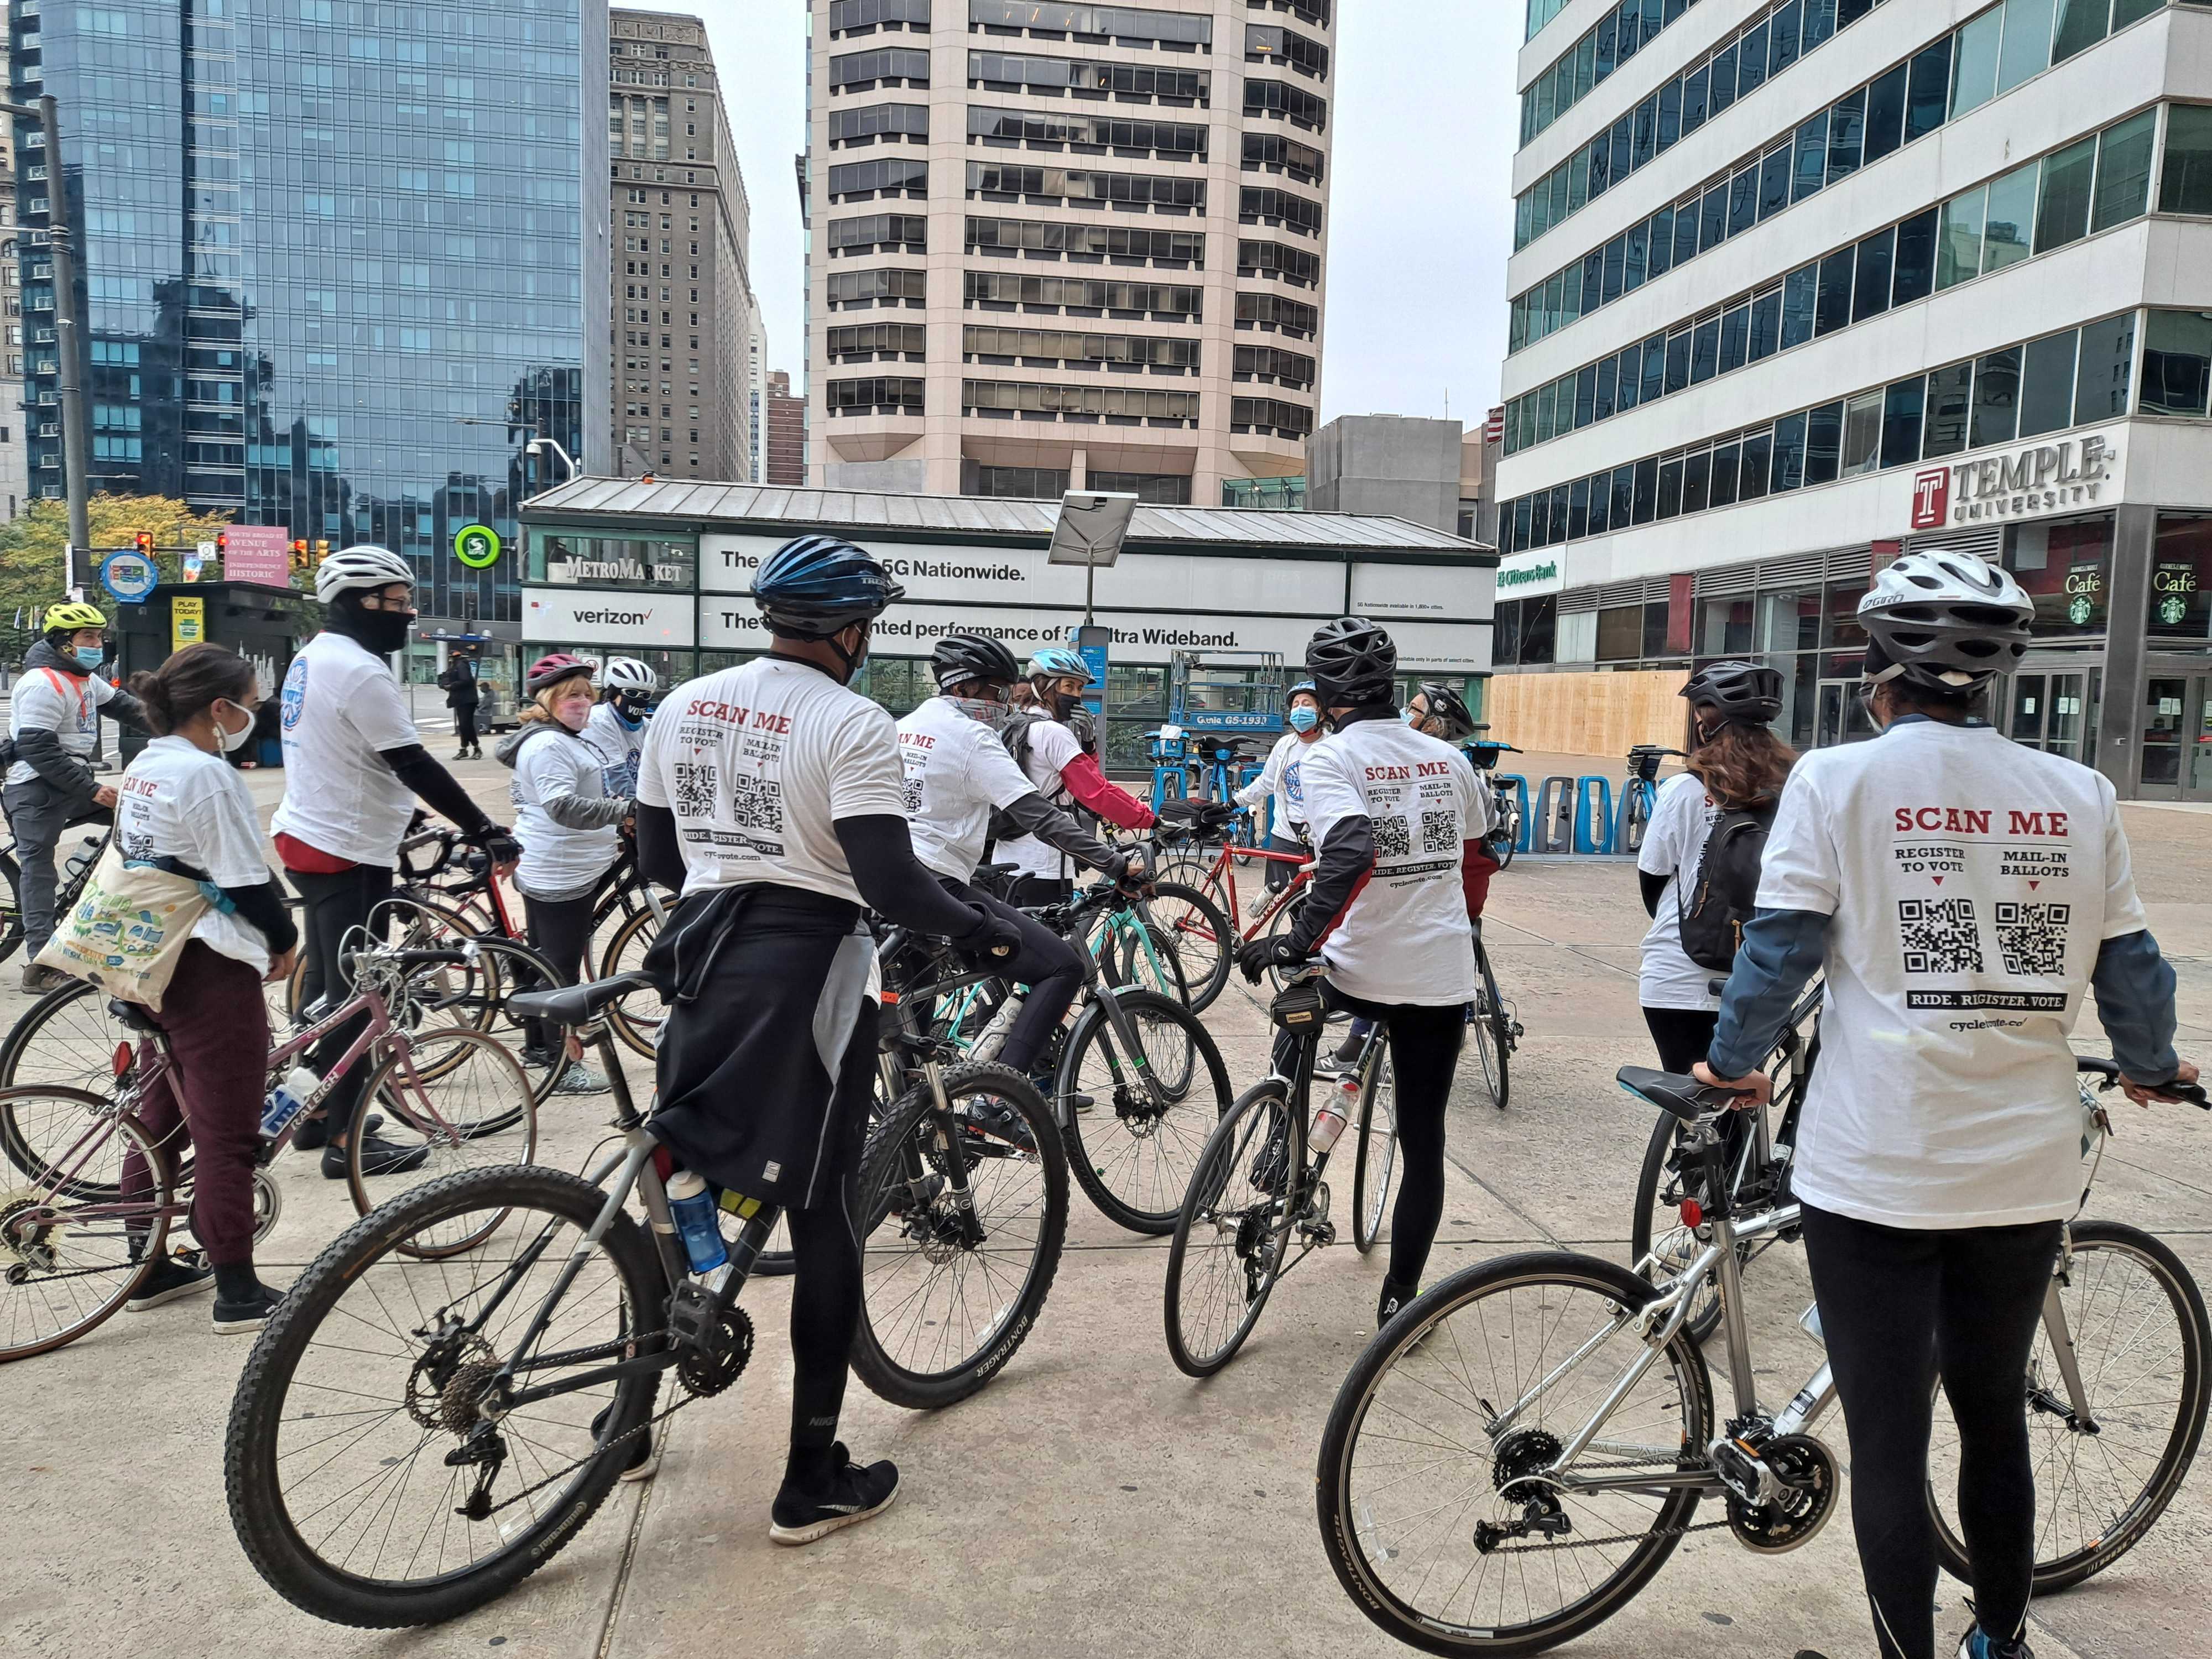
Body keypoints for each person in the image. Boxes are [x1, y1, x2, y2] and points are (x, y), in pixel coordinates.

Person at [1693, 551, 2197, 1659]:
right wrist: (2151, 1064)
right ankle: (1999, 1641)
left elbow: (1776, 955)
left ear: (1877, 667)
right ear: (2004, 672)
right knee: (1990, 1422)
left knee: (1888, 1442)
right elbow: (2129, 969)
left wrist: (1730, 1062)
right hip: (2018, 1172)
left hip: (1873, 1166)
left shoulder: (1834, 781)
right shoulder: (2079, 794)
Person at [633, 533, 1020, 1541]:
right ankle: (810, 1482)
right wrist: (987, 929)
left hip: (700, 956)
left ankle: (628, 1423)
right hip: (806, 972)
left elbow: (655, 852)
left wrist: (733, 877)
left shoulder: (684, 702)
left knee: (682, 1171)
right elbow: (892, 883)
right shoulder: (853, 722)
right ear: (852, 631)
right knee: (823, 1217)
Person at [1235, 618, 1497, 1328]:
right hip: (1439, 977)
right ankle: (1400, 1304)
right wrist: (1453, 917)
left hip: (1356, 969)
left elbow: (1349, 851)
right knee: (1423, 1141)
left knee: (1294, 1014)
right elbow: (1477, 858)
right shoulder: (1451, 760)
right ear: (1394, 688)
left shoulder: (1329, 759)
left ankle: (1282, 1143)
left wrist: (1293, 940)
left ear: (1320, 696)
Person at [270, 546, 518, 1177]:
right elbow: (411, 761)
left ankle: (315, 1113)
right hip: (346, 848)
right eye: (398, 602)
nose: (407, 614)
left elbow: (346, 754)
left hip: (313, 834)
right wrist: (483, 827)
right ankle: (346, 1139)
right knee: (359, 995)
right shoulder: (360, 670)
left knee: (328, 995)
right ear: (358, 602)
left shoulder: (313, 658)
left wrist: (406, 816)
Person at [111, 644, 300, 1331]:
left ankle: (147, 1260)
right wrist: (283, 941)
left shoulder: (147, 764)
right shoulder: (206, 775)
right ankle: (238, 1289)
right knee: (227, 1132)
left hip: (150, 956)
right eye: (250, 705)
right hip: (207, 965)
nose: (253, 716)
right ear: (219, 709)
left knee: (160, 1109)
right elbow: (246, 877)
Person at [897, 633, 1145, 1079]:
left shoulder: (904, 726)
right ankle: (1001, 1097)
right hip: (940, 879)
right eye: (996, 692)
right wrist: (1115, 863)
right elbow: (1040, 816)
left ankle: (914, 1116)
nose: (1002, 704)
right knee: (1061, 967)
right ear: (962, 688)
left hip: (889, 876)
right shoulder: (973, 736)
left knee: (912, 1005)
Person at [1636, 661, 1796, 1074]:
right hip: (1762, 970)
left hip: (1679, 974)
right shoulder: (1795, 790)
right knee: (1741, 1103)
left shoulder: (1686, 790)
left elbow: (1652, 880)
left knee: (1694, 1115)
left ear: (1707, 725)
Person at [495, 654, 632, 1093]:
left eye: (587, 695)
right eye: (572, 695)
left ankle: (539, 1048)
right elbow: (562, 805)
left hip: (563, 864)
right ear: (548, 699)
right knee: (561, 973)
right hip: (560, 870)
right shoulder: (549, 745)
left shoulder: (565, 738)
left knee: (546, 961)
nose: (583, 703)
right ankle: (560, 1066)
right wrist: (625, 811)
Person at [6, 599, 153, 990]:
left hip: (70, 781)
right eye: (88, 636)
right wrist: (93, 790)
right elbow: (38, 750)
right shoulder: (42, 682)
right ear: (63, 643)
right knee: (38, 865)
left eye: (100, 636)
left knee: (138, 824)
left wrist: (176, 728)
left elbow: (128, 709)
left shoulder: (85, 678)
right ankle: (40, 965)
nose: (97, 643)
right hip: (35, 785)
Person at [998, 645, 1156, 906]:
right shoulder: (1054, 733)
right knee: (1052, 945)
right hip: (1045, 862)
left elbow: (1072, 786)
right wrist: (1150, 820)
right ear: (1042, 687)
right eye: (1068, 687)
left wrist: (1087, 745)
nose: (1076, 696)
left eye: (1080, 689)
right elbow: (1095, 791)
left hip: (1008, 857)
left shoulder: (1015, 724)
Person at [1235, 681, 1325, 912]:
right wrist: (1236, 802)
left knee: (1320, 906)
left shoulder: (1333, 746)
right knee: (1288, 903)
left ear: (1321, 712)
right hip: (1285, 836)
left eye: (1307, 704)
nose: (1300, 709)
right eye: (1296, 704)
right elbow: (1266, 782)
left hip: (1320, 837)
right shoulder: (1285, 745)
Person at [583, 655, 659, 800]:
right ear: (613, 694)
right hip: (601, 810)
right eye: (631, 693)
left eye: (646, 695)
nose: (639, 700)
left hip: (623, 811)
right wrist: (641, 812)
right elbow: (616, 777)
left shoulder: (646, 726)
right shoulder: (598, 720)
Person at [439, 655, 482, 760]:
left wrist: (451, 686)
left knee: (465, 724)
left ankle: (475, 748)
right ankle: (465, 749)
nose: (449, 658)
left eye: (451, 656)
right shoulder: (455, 666)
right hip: (460, 700)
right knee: (464, 726)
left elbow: (466, 680)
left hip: (467, 700)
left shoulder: (461, 665)